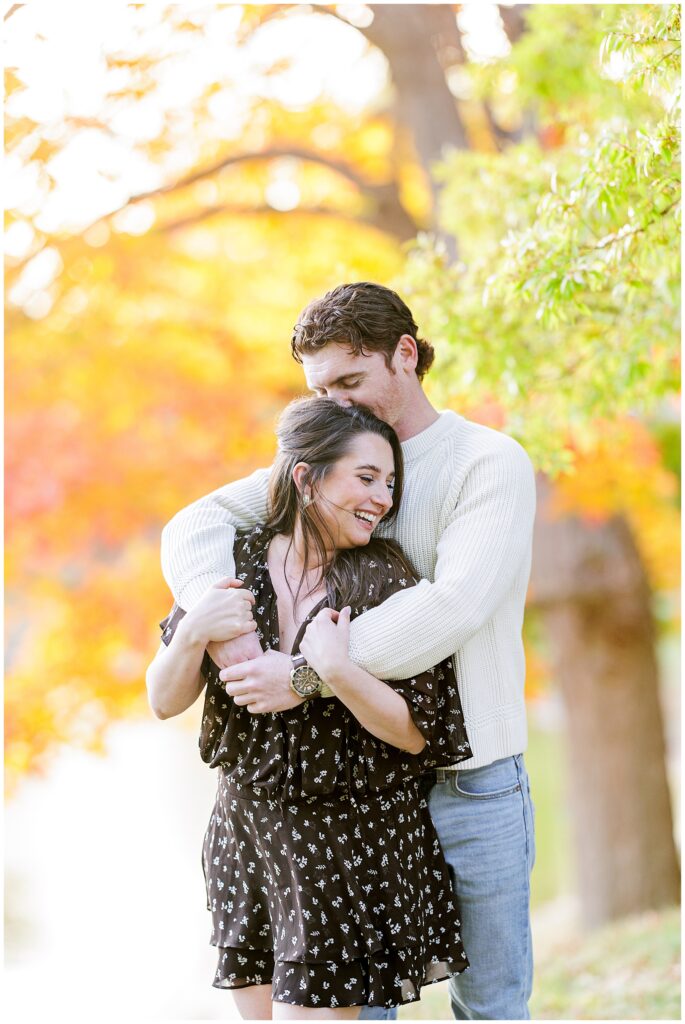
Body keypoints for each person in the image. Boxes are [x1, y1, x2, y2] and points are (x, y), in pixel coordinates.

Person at [162, 282, 537, 1021]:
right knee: (361, 1010)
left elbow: (450, 607)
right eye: (320, 387)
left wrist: (307, 671)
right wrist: (233, 631)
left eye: (349, 380)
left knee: (491, 1005)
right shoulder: (328, 456)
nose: (338, 401)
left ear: (405, 354)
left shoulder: (485, 463)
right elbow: (194, 522)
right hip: (361, 795)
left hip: (471, 782)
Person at [148, 397, 473, 1019]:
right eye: (366, 478)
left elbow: (415, 734)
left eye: (390, 484)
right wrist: (192, 631)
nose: (382, 499)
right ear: (305, 476)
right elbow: (164, 701)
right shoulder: (229, 565)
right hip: (248, 836)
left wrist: (336, 670)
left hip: (347, 843)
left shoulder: (385, 580)